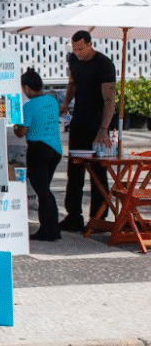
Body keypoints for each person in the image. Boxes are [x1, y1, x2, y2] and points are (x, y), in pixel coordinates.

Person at [60, 30, 117, 232]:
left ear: (90, 44)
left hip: (98, 122)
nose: (78, 52)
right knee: (74, 169)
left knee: (98, 171)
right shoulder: (73, 60)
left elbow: (110, 99)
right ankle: (74, 216)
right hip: (79, 120)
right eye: (74, 48)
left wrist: (104, 129)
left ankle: (98, 217)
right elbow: (72, 83)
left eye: (81, 48)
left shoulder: (104, 64)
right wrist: (66, 102)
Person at [14, 67, 62, 241]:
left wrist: (15, 125)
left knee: (43, 191)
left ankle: (50, 230)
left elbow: (21, 132)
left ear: (26, 88)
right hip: (55, 149)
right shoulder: (52, 101)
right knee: (45, 189)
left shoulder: (29, 106)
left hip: (38, 150)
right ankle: (50, 227)